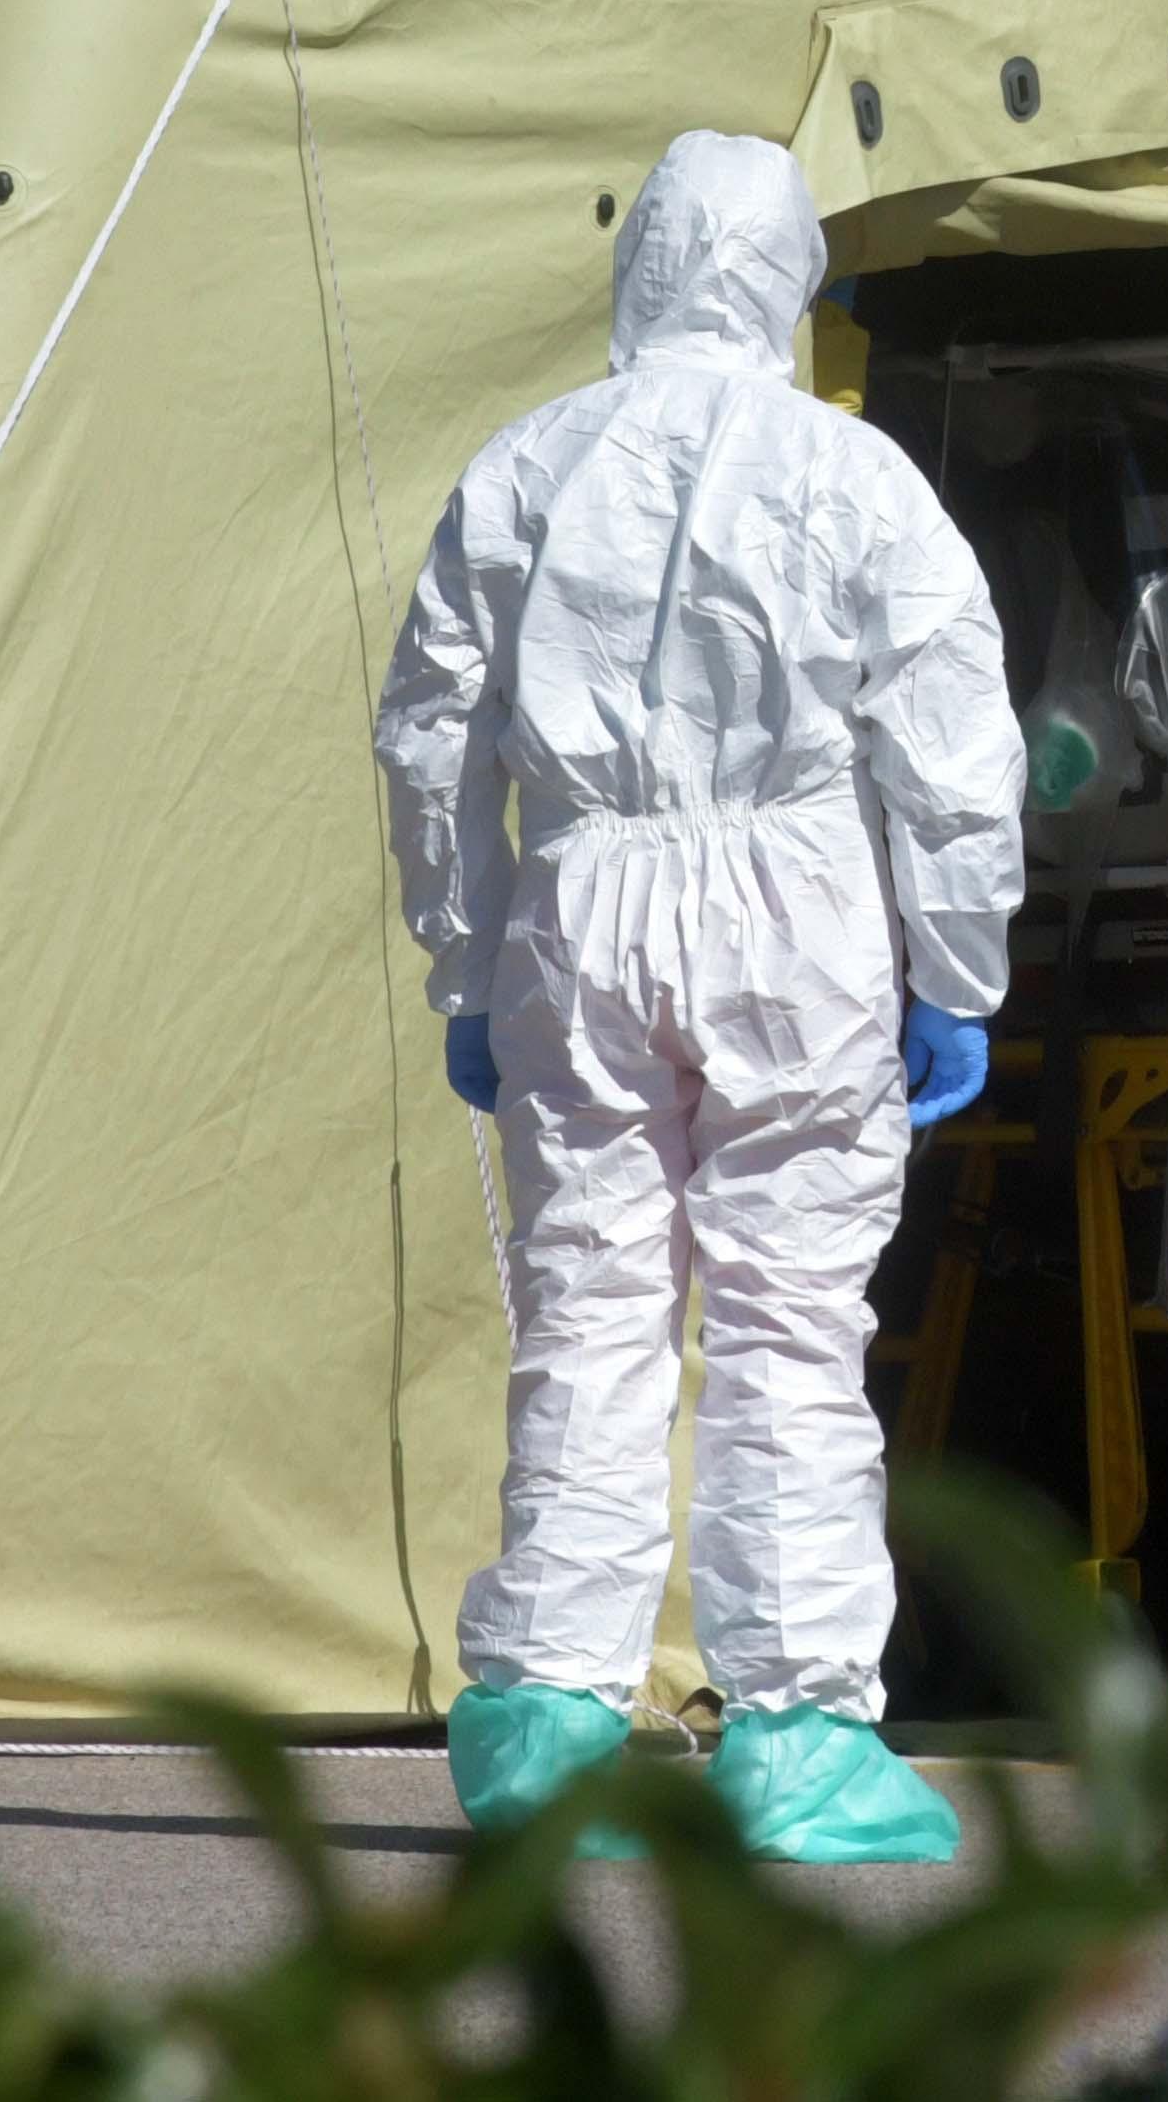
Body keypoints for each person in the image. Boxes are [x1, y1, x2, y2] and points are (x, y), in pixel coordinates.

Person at [375, 130, 1024, 1864]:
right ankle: (800, 1735)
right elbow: (950, 747)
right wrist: (956, 967)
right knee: (787, 1323)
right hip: (797, 916)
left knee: (587, 1312)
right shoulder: (857, 476)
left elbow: (435, 734)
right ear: (789, 279)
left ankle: (546, 1729)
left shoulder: (519, 468)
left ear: (637, 264)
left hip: (578, 908)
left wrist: (466, 947)